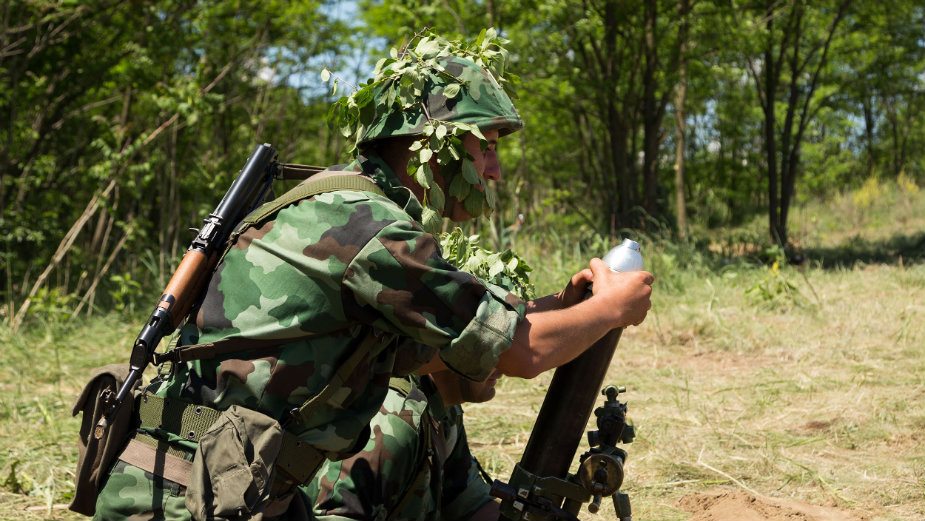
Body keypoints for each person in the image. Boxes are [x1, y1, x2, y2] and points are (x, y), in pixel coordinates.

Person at [91, 32, 653, 521]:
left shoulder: (344, 205)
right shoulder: (372, 231)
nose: (496, 171)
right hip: (187, 498)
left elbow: (468, 340)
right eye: (488, 146)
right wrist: (614, 308)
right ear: (436, 142)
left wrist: (564, 303)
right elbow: (518, 354)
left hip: (226, 485)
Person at [306, 369, 504, 521]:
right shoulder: (392, 419)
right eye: (491, 343)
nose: (502, 361)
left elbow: (464, 499)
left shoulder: (442, 409)